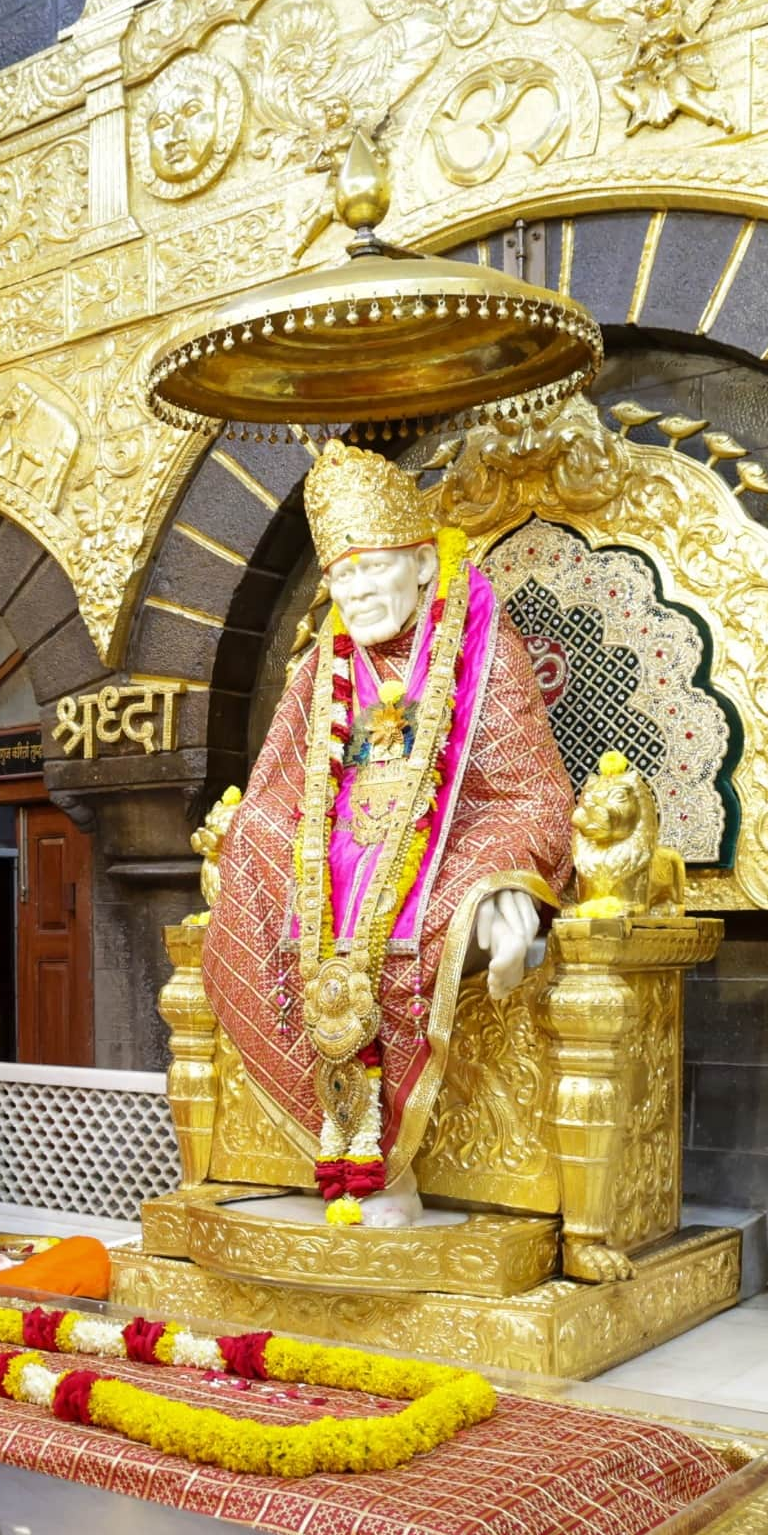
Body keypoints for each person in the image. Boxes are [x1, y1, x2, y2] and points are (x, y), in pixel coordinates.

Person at [200, 438, 575, 1233]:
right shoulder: (321, 666)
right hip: (331, 858)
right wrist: (263, 844)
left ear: (421, 565)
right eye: (342, 575)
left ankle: (387, 1168)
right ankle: (329, 1146)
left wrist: (502, 884)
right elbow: (279, 787)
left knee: (442, 910)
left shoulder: (481, 648)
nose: (359, 591)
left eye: (374, 568)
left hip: (447, 846)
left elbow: (524, 792)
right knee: (260, 843)